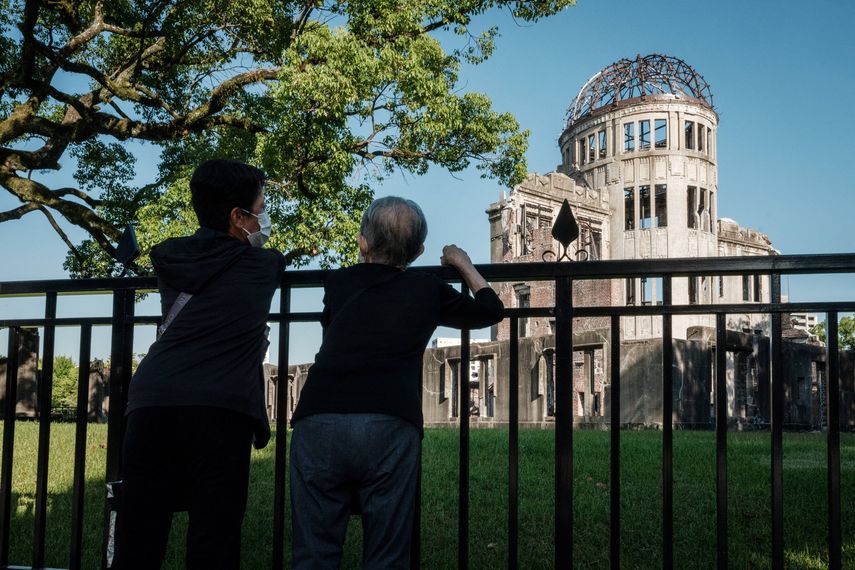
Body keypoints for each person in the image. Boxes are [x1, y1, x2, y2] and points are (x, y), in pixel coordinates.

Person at [289, 196, 504, 569]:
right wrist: (462, 264)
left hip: (319, 415)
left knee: (313, 551)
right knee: (388, 554)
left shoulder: (337, 282)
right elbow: (490, 310)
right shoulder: (425, 289)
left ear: (362, 243)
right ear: (419, 250)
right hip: (391, 421)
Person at [112, 159, 284, 569]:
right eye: (260, 207)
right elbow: (262, 258)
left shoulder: (168, 256)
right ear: (238, 216)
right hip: (220, 409)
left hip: (152, 400)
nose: (264, 216)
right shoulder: (265, 264)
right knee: (214, 541)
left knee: (138, 537)